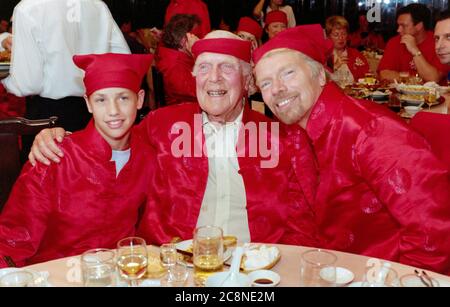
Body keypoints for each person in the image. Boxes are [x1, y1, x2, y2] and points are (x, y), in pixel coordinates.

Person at [28, 31, 319, 247]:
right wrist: (59, 137)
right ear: (193, 77)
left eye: (227, 67)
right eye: (204, 67)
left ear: (247, 82)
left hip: (253, 272)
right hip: (173, 269)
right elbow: (110, 141)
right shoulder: (163, 124)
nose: (213, 78)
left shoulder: (281, 139)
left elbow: (303, 226)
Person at [253, 24, 450, 274]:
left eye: (288, 73)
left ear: (321, 74)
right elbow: (302, 223)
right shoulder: (295, 137)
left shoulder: (370, 132)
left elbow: (435, 233)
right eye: (266, 83)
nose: (277, 89)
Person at [0, 53, 156, 267]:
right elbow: (11, 241)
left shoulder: (148, 157)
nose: (113, 111)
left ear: (139, 100)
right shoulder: (54, 156)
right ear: (88, 103)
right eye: (101, 99)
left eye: (123, 98)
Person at [1, 0, 130, 135]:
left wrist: (6, 79)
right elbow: (123, 59)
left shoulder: (29, 8)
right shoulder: (97, 5)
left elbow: (28, 84)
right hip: (93, 109)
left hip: (49, 117)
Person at [378, 3, 448, 83]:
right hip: (401, 94)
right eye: (398, 25)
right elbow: (384, 74)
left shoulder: (439, 42)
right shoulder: (395, 42)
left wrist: (414, 50)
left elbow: (433, 79)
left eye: (403, 26)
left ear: (419, 26)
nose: (398, 30)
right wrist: (415, 79)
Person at [155, 14, 200, 105]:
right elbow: (196, 94)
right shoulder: (174, 64)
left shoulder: (175, 56)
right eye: (195, 35)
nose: (199, 39)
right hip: (187, 112)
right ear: (184, 40)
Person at [326, 16, 369, 85]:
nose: (341, 38)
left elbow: (367, 76)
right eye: (336, 35)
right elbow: (318, 81)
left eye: (343, 34)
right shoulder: (324, 56)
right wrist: (334, 67)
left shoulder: (356, 54)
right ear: (328, 37)